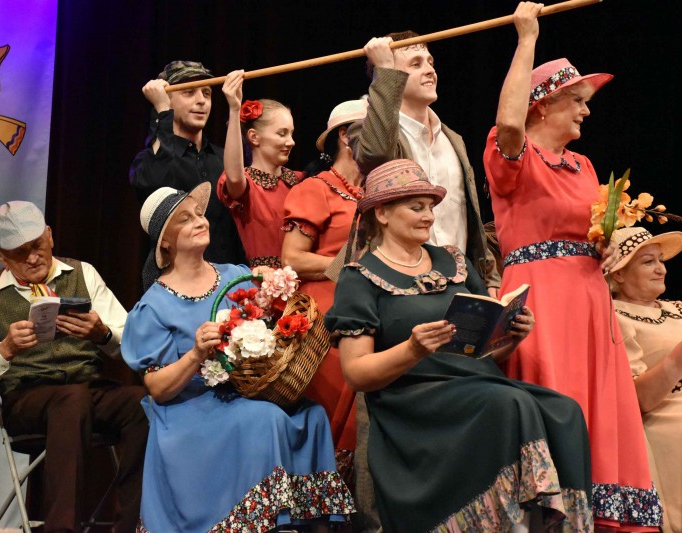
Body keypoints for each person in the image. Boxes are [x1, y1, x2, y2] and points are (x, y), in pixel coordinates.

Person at [325, 158, 593, 532]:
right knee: (508, 403)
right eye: (416, 207)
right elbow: (356, 373)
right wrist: (412, 349)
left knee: (565, 411)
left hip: (478, 385)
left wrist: (511, 335)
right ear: (382, 213)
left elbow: (484, 350)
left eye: (430, 207)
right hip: (416, 401)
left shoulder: (453, 262)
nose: (428, 216)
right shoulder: (361, 278)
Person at [482, 2, 661, 529]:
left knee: (597, 403)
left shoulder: (583, 165)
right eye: (577, 101)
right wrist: (527, 37)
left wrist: (605, 246)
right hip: (541, 296)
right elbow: (508, 120)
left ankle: (602, 513)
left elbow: (590, 229)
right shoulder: (513, 155)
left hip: (588, 298)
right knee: (553, 395)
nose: (586, 111)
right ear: (543, 106)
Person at [122, 183, 354, 532]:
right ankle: (264, 523)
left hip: (242, 393)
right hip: (190, 409)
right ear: (165, 242)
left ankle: (311, 523)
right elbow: (157, 388)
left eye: (199, 213)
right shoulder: (153, 306)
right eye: (185, 219)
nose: (199, 221)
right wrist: (196, 354)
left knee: (312, 414)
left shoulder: (234, 276)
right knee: (264, 418)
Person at [0, 200, 147, 533]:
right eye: (19, 253)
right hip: (27, 399)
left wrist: (101, 334)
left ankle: (131, 527)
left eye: (37, 245)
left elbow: (136, 344)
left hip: (86, 389)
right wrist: (5, 349)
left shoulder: (83, 274)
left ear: (50, 235)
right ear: (0, 256)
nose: (32, 258)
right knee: (71, 401)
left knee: (144, 403)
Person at [350, 29, 500, 294]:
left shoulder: (453, 139)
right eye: (415, 64)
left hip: (457, 281)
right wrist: (384, 72)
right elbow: (376, 156)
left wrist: (489, 279)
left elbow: (468, 215)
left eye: (430, 62)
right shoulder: (364, 130)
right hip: (398, 283)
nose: (430, 70)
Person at [281, 97, 367, 488]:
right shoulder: (316, 189)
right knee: (334, 416)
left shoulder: (373, 192)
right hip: (327, 317)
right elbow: (292, 258)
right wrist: (351, 265)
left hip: (368, 307)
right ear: (346, 136)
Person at [129, 60, 245, 289]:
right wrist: (163, 112)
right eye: (189, 92)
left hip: (228, 287)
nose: (201, 101)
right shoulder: (148, 161)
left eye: (207, 93)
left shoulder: (224, 159)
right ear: (167, 100)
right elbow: (156, 181)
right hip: (175, 289)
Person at [609, 226, 682, 532]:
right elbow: (637, 400)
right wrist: (677, 360)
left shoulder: (678, 309)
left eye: (661, 260)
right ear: (619, 274)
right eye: (648, 261)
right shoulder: (615, 316)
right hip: (666, 415)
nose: (661, 269)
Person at [218, 69, 304, 268]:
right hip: (263, 282)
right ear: (254, 137)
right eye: (282, 134)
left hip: (306, 280)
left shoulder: (301, 181)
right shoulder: (248, 186)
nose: (291, 142)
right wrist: (234, 109)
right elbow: (234, 177)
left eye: (291, 133)